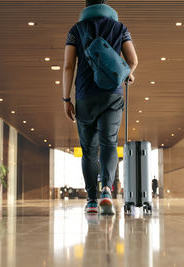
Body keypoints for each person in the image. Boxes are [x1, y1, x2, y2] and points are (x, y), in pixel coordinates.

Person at [63, 0, 138, 214]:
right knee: (109, 142)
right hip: (112, 94)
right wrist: (126, 74)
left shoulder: (75, 30)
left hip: (85, 95)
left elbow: (68, 66)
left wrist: (66, 99)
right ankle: (106, 189)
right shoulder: (120, 28)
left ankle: (92, 200)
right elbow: (133, 60)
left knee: (88, 150)